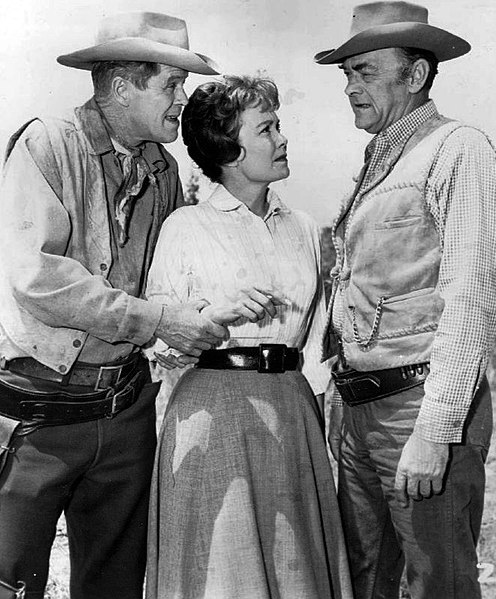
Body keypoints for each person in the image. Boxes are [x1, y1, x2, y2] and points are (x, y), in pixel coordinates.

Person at [0, 12, 228, 599]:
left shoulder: (165, 170)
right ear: (123, 85)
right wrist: (155, 321)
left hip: (126, 413)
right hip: (37, 412)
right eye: (172, 84)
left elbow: (170, 282)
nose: (183, 97)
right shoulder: (47, 144)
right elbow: (37, 278)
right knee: (8, 580)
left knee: (115, 587)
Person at [314, 2, 496, 598]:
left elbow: (471, 301)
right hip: (358, 411)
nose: (350, 86)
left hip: (417, 412)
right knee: (365, 581)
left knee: (436, 584)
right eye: (347, 73)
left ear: (416, 74)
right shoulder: (379, 159)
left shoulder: (460, 149)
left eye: (366, 71)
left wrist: (437, 429)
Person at [144, 76, 353, 599]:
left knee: (294, 566)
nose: (283, 138)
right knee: (221, 571)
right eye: (267, 129)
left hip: (292, 411)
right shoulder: (185, 227)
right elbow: (159, 346)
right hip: (213, 414)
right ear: (230, 150)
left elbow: (317, 339)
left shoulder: (302, 226)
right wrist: (215, 315)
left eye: (278, 125)